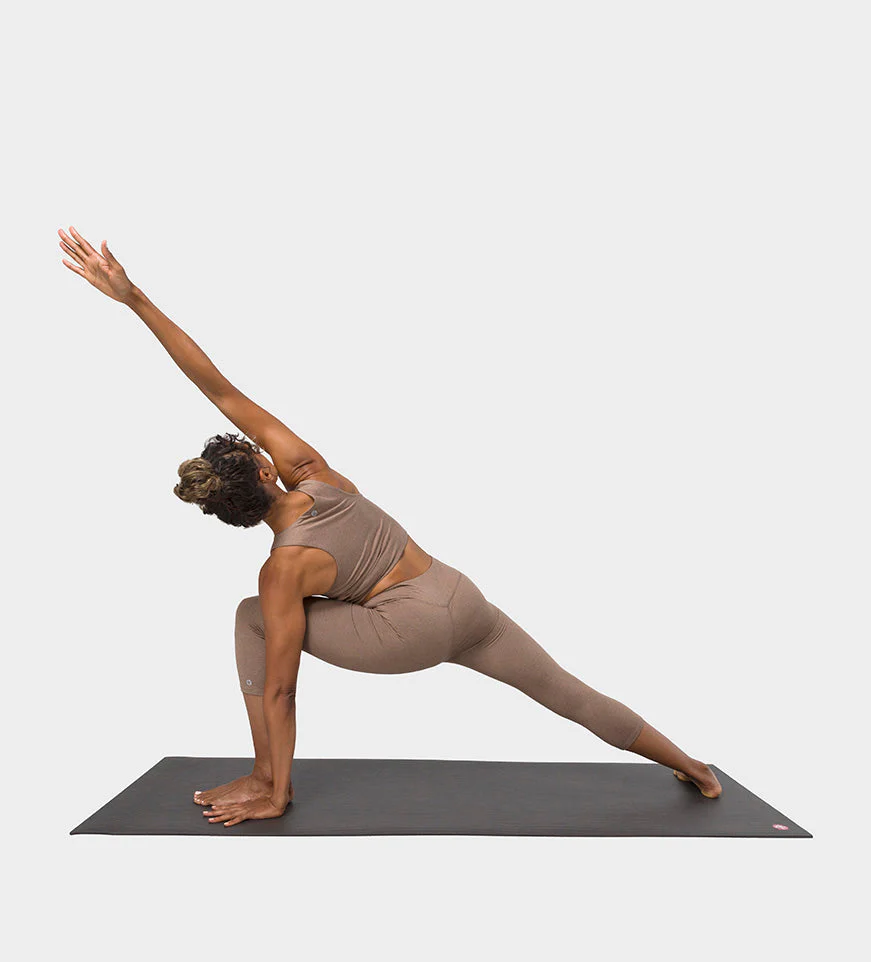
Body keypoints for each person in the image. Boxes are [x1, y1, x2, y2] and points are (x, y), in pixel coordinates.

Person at [59, 224, 723, 828]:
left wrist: (278, 790)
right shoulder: (313, 473)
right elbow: (223, 390)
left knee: (251, 619)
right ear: (264, 470)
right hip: (459, 596)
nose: (259, 445)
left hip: (407, 634)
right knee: (565, 692)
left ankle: (267, 781)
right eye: (254, 450)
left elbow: (282, 689)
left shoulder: (283, 569)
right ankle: (694, 768)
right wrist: (134, 297)